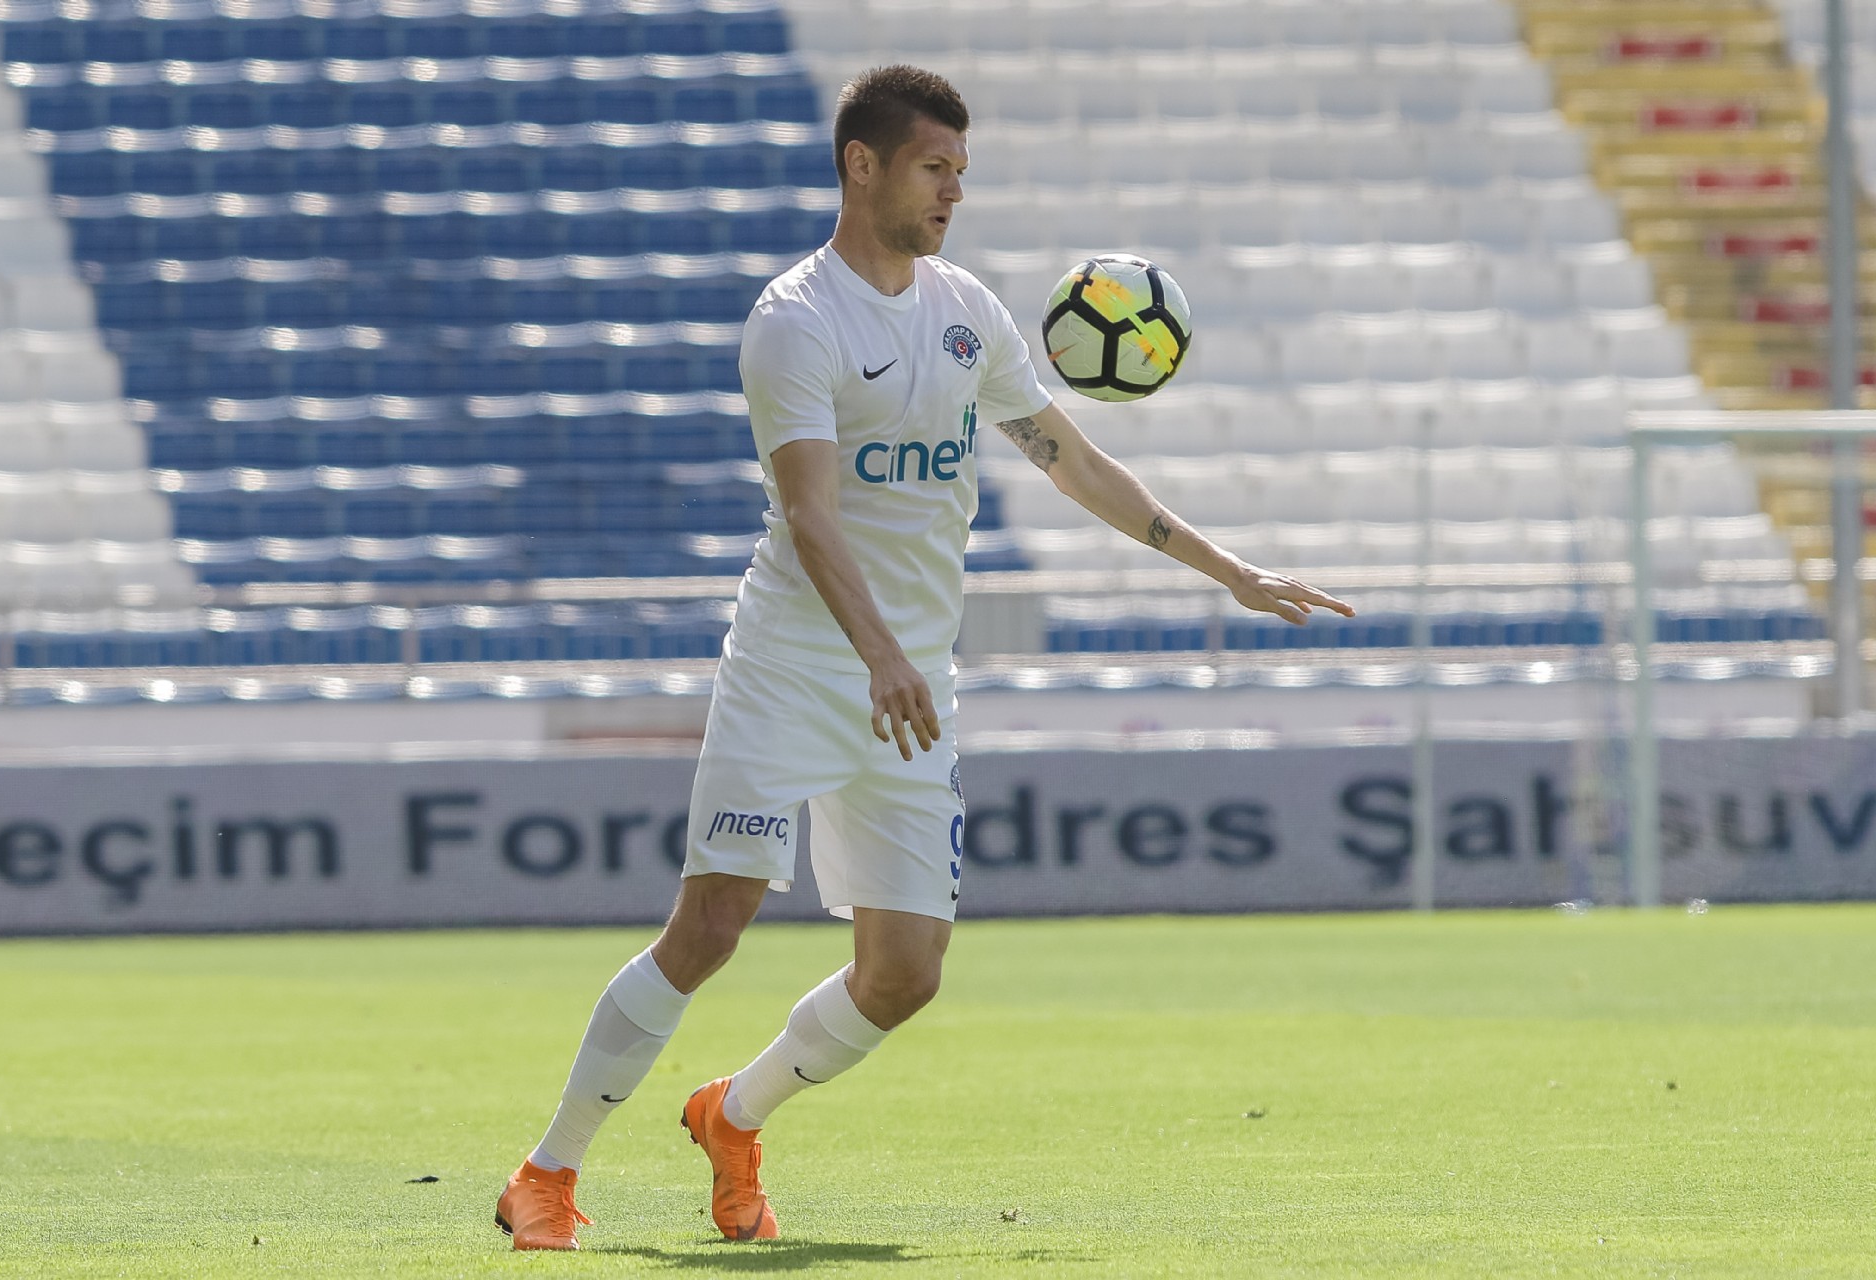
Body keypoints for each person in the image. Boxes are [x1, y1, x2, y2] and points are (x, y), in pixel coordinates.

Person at [494, 64, 1353, 1251]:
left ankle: (732, 1116)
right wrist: (881, 653)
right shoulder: (795, 320)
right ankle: (547, 1170)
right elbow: (811, 515)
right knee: (711, 924)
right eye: (934, 167)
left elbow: (1069, 457)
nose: (954, 191)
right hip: (798, 665)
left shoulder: (966, 310)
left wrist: (1228, 568)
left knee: (904, 973)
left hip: (908, 681)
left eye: (961, 171)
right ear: (864, 165)